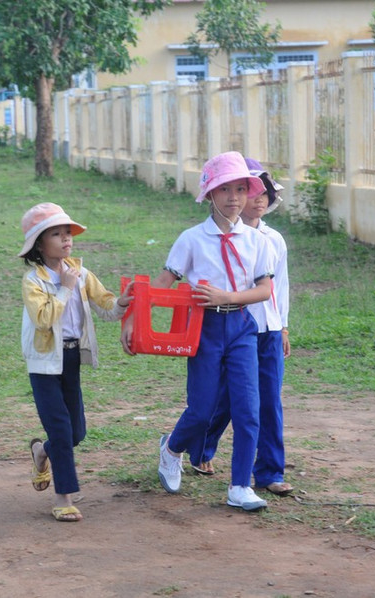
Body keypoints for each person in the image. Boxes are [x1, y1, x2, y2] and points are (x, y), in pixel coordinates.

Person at [121, 151, 276, 512]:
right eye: (225, 189)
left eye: (241, 189)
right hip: (203, 330)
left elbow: (264, 290)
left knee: (248, 409)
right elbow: (163, 282)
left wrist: (228, 296)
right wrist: (131, 320)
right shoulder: (191, 239)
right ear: (209, 194)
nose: (234, 197)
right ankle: (172, 449)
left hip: (241, 328)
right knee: (203, 410)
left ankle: (240, 486)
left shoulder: (257, 242)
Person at [20, 202, 134, 522]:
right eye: (56, 234)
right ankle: (63, 497)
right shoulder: (34, 280)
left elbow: (106, 305)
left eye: (67, 233)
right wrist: (65, 289)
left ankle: (42, 452)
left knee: (75, 434)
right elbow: (43, 319)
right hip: (43, 363)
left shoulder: (80, 272)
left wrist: (122, 301)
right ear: (39, 245)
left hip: (71, 357)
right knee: (60, 427)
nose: (66, 239)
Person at [191, 157, 294, 496]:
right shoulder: (224, 237)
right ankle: (200, 450)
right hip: (231, 326)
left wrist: (283, 327)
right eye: (254, 191)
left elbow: (280, 288)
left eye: (267, 192)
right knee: (224, 399)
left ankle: (269, 472)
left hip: (267, 329)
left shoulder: (272, 239)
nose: (261, 198)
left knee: (267, 402)